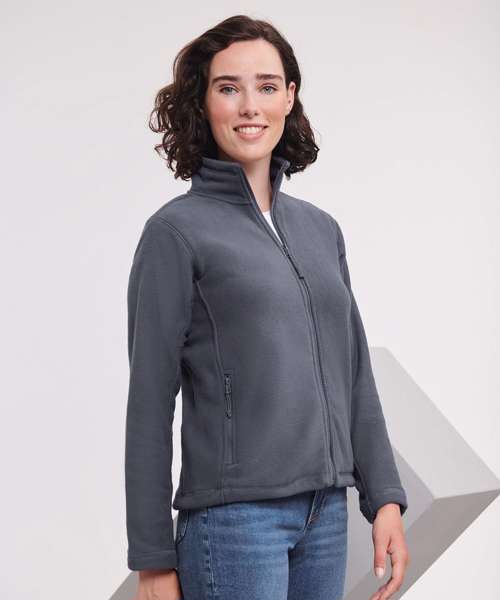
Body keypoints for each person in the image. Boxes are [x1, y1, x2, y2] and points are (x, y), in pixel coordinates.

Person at [125, 14, 409, 600]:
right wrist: (152, 558)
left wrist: (384, 498)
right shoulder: (176, 233)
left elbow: (354, 372)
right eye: (228, 88)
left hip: (326, 514)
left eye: (267, 86)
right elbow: (149, 401)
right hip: (235, 522)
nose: (250, 106)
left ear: (289, 97)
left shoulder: (320, 229)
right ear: (203, 103)